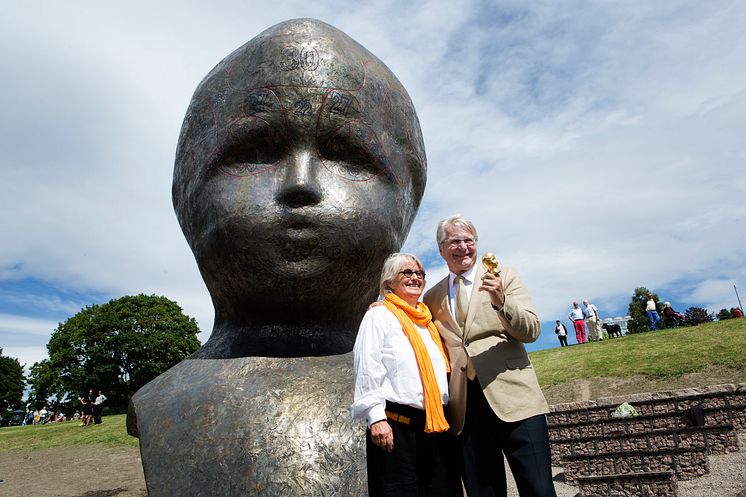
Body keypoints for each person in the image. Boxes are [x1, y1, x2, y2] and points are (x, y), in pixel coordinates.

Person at [128, 19, 429, 496]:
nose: (300, 183)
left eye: (346, 154)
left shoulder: (424, 379)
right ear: (185, 194)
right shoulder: (162, 402)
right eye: (256, 150)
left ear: (409, 197)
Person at [423, 215, 556, 497]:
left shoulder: (503, 277)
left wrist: (501, 302)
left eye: (469, 240)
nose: (463, 247)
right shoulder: (432, 297)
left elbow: (531, 330)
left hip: (516, 400)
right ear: (441, 249)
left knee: (539, 490)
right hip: (466, 409)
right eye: (455, 241)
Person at [352, 253, 461, 497]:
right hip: (397, 427)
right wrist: (376, 418)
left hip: (436, 426)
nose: (415, 278)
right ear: (389, 282)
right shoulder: (378, 316)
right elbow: (368, 367)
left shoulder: (427, 320)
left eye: (419, 273)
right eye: (407, 273)